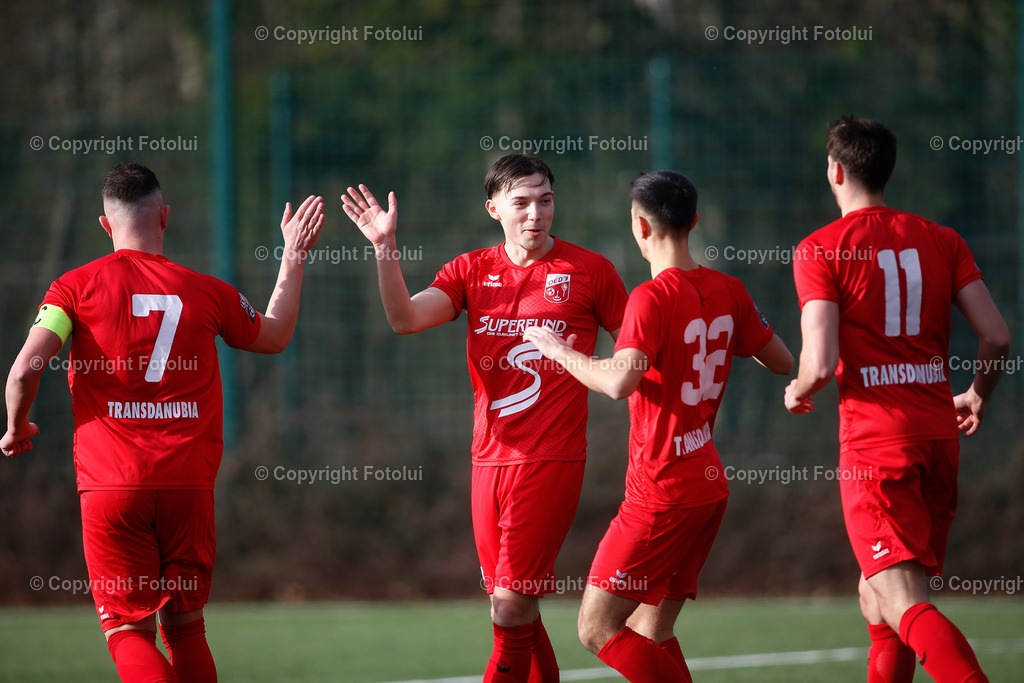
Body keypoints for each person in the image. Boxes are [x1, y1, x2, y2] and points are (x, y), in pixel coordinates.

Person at [1, 162, 324, 683]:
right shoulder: (207, 291)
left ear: (106, 226)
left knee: (127, 631)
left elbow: (23, 371)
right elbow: (276, 333)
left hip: (113, 489)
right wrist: (292, 254)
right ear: (165, 217)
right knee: (188, 628)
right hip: (188, 486)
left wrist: (17, 427)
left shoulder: (73, 289)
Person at [341, 153, 628, 682]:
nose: (535, 213)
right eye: (521, 202)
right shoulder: (471, 270)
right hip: (487, 461)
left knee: (509, 606)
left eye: (546, 200)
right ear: (493, 208)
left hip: (550, 458)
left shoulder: (590, 271)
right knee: (516, 608)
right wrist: (385, 249)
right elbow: (405, 319)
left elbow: (634, 351)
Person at [525, 170, 793, 682]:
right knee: (651, 630)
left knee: (596, 629)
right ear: (694, 221)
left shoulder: (650, 297)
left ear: (640, 229)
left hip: (662, 491)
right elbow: (781, 361)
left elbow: (620, 382)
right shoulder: (730, 290)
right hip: (708, 485)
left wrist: (560, 351)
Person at [784, 115, 1009, 683]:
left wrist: (797, 389)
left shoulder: (820, 249)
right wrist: (978, 394)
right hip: (938, 439)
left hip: (878, 447)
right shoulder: (941, 239)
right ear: (887, 171)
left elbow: (817, 361)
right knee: (875, 597)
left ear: (834, 171)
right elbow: (998, 336)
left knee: (904, 601)